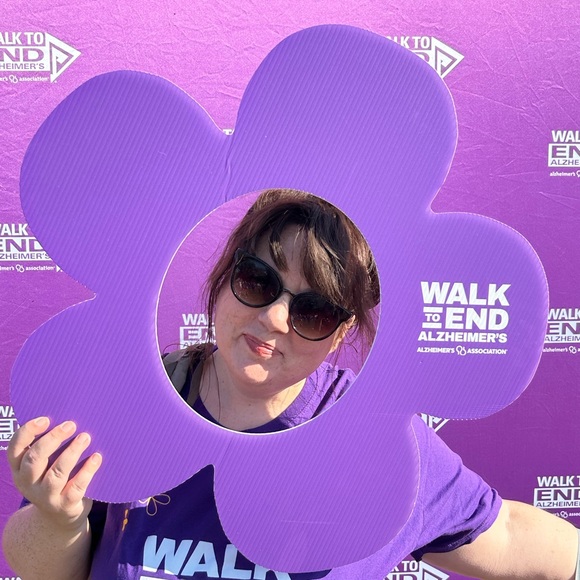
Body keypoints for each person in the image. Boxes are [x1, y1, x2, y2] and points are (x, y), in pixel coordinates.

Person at [3, 189, 579, 579]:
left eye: (314, 311)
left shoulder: (378, 441)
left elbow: (504, 534)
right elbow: (43, 566)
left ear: (342, 331)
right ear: (226, 274)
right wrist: (58, 520)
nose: (275, 319)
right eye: (258, 281)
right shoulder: (130, 403)